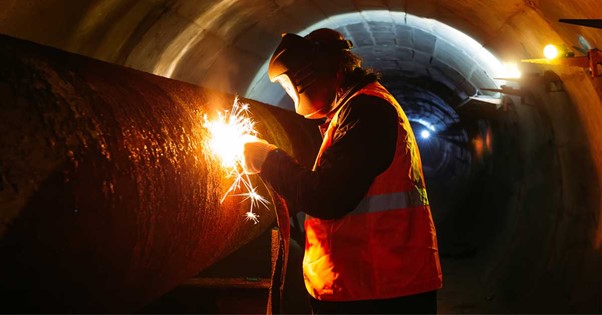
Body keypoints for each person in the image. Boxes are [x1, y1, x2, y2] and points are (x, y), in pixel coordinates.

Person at [243, 28, 442, 314]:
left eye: (293, 84)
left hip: (378, 290)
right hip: (373, 283)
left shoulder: (367, 110)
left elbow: (327, 196)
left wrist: (268, 159)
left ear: (325, 74)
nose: (292, 94)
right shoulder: (355, 109)